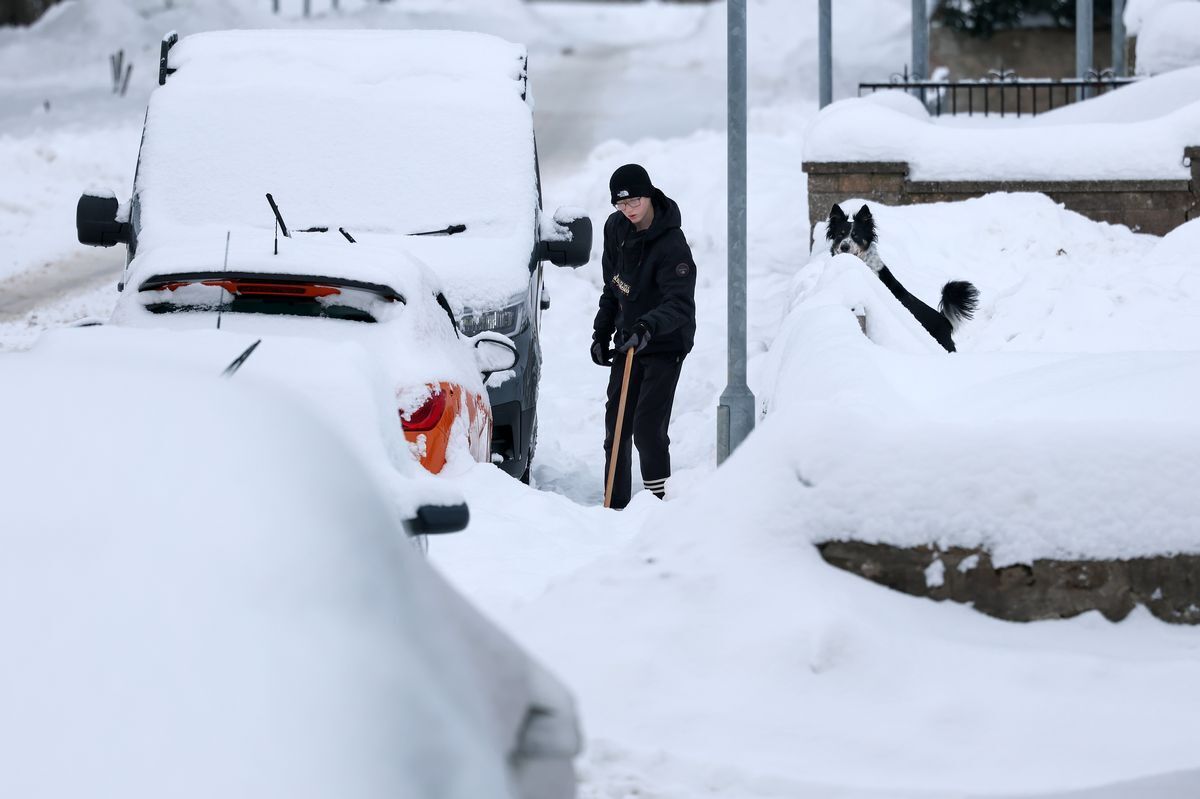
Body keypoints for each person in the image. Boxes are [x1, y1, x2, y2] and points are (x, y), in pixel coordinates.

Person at [591, 163, 697, 509]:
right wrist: (601, 331)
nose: (630, 210)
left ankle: (657, 501)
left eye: (635, 201)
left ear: (649, 194)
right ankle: (615, 502)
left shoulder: (672, 244)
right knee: (616, 426)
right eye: (621, 205)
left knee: (648, 427)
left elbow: (679, 304)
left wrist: (647, 326)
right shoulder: (616, 229)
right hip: (629, 339)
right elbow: (613, 287)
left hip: (665, 341)